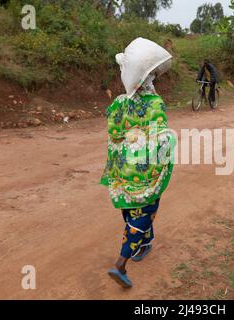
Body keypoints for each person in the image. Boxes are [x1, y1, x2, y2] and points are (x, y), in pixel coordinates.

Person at [100, 38, 176, 288]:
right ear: (150, 81)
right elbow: (161, 138)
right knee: (143, 213)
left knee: (131, 209)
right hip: (145, 172)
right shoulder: (155, 104)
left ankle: (143, 243)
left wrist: (130, 138)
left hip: (124, 169)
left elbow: (114, 134)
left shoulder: (119, 103)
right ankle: (121, 263)